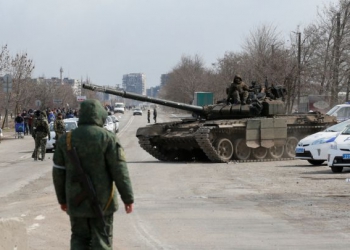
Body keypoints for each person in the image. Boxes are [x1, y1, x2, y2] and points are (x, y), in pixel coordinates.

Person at [52, 99, 134, 249]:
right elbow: (119, 171)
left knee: (78, 238)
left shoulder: (66, 139)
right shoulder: (108, 138)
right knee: (102, 240)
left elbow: (58, 173)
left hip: (76, 201)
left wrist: (62, 200)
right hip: (104, 201)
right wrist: (128, 198)